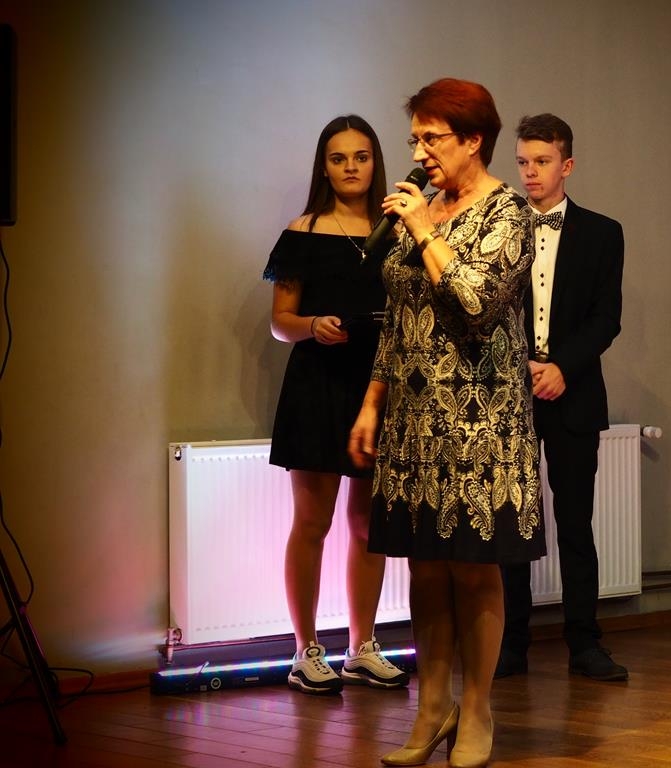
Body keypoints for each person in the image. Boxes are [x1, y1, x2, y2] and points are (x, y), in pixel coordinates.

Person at [349, 78, 544, 768]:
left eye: (432, 139)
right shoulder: (422, 210)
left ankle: (478, 709)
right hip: (413, 423)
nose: (419, 153)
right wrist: (372, 402)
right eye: (415, 140)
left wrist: (425, 231)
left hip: (481, 424)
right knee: (425, 567)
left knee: (473, 569)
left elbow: (475, 302)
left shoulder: (509, 212)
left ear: (473, 140)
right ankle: (432, 709)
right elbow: (398, 320)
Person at [263, 114, 410, 696]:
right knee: (313, 521)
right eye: (338, 158)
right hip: (317, 384)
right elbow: (280, 322)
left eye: (361, 156)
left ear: (376, 163)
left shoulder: (400, 228)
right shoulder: (302, 230)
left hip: (380, 386)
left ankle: (362, 648)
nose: (351, 167)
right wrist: (312, 325)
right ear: (323, 167)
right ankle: (305, 651)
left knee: (369, 524)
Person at [496, 113, 627, 682]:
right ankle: (510, 645)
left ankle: (584, 644)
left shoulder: (603, 233)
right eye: (523, 162)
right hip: (509, 394)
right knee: (511, 527)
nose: (530, 172)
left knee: (576, 522)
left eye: (542, 161)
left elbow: (606, 318)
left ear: (566, 165)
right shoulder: (499, 229)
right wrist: (521, 367)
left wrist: (561, 368)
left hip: (573, 394)